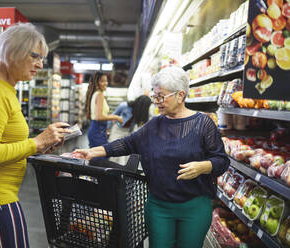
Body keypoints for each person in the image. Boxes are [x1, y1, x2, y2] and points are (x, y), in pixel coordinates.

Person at [74, 66, 229, 248]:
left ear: (180, 95)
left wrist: (203, 167)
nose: (156, 102)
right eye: (155, 96)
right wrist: (92, 152)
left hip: (194, 208)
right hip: (159, 207)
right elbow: (127, 143)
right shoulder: (154, 125)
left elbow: (222, 161)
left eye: (161, 96)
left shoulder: (203, 124)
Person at [0, 23, 71, 248]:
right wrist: (35, 143)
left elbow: (2, 142)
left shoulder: (2, 86)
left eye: (42, 58)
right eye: (35, 56)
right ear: (13, 52)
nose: (40, 64)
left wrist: (41, 145)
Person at [108, 95, 152, 164]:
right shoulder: (124, 106)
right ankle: (111, 171)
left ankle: (121, 172)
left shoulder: (139, 112)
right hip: (117, 130)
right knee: (114, 153)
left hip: (128, 132)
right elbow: (112, 116)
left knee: (125, 156)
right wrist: (108, 129)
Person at [84, 72, 122, 150]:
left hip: (97, 129)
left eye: (106, 81)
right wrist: (116, 117)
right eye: (102, 81)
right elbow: (99, 117)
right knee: (100, 158)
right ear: (96, 82)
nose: (105, 83)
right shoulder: (99, 95)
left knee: (97, 156)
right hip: (98, 130)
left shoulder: (96, 94)